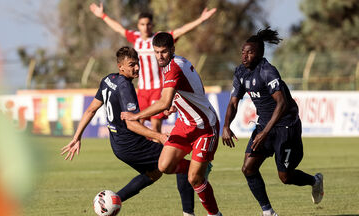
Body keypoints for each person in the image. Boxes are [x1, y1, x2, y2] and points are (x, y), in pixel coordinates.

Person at [61, 47, 196, 216]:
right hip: (133, 145)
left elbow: (90, 110)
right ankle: (188, 214)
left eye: (137, 64)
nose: (137, 68)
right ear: (121, 67)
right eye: (132, 65)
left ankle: (110, 203)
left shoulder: (108, 80)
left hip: (118, 146)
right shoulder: (125, 87)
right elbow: (132, 124)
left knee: (154, 173)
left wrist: (77, 137)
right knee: (183, 166)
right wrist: (159, 136)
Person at [222, 28, 324, 216]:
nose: (245, 56)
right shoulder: (240, 72)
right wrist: (226, 125)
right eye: (243, 52)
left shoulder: (267, 71)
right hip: (265, 125)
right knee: (248, 168)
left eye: (250, 52)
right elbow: (233, 103)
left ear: (260, 53)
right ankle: (268, 212)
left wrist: (265, 132)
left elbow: (282, 103)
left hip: (286, 126)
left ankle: (315, 181)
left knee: (285, 177)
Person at [121, 32, 222, 216]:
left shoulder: (174, 67)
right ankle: (199, 167)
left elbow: (163, 102)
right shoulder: (178, 63)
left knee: (194, 179)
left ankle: (215, 214)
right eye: (157, 52)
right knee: (164, 166)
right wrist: (177, 106)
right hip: (185, 124)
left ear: (172, 50)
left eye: (164, 52)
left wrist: (136, 116)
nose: (160, 56)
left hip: (204, 127)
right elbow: (194, 88)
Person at [90, 2, 216, 134]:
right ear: (138, 26)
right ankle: (146, 153)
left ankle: (159, 153)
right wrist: (102, 15)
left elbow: (181, 30)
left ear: (152, 25)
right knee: (139, 127)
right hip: (142, 91)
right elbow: (118, 28)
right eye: (142, 24)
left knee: (155, 128)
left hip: (158, 89)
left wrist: (201, 19)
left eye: (148, 24)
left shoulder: (159, 40)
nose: (145, 27)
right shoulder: (135, 38)